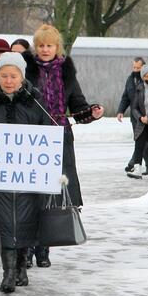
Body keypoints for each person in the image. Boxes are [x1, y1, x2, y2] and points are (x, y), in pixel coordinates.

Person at [23, 24, 103, 269]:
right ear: (35, 48)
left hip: (58, 138)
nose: (45, 50)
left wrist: (92, 112)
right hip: (31, 137)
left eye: (50, 45)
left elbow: (77, 105)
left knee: (52, 194)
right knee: (29, 195)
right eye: (41, 46)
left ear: (57, 48)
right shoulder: (26, 69)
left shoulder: (66, 72)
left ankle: (43, 248)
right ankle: (25, 248)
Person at [0, 52, 50, 293]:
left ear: (22, 76)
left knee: (26, 221)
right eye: (4, 76)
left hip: (28, 176)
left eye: (14, 76)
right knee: (5, 222)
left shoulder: (35, 100)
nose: (9, 80)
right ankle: (8, 273)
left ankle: (21, 267)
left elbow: (49, 132)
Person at [117, 57, 148, 177]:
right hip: (135, 116)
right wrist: (121, 110)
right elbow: (125, 97)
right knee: (141, 141)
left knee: (141, 141)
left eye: (138, 68)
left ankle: (133, 163)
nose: (135, 70)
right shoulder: (130, 79)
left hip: (147, 116)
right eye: (134, 67)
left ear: (143, 67)